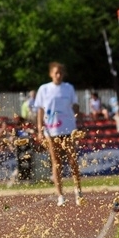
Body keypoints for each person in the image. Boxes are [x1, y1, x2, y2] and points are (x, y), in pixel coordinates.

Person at [34, 62, 83, 206]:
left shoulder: (68, 88)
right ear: (51, 74)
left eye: (61, 73)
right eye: (56, 73)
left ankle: (78, 191)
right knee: (56, 163)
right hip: (52, 130)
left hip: (68, 129)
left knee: (73, 161)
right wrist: (39, 129)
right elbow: (40, 110)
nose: (58, 75)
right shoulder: (44, 89)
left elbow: (76, 105)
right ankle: (60, 194)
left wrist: (76, 112)